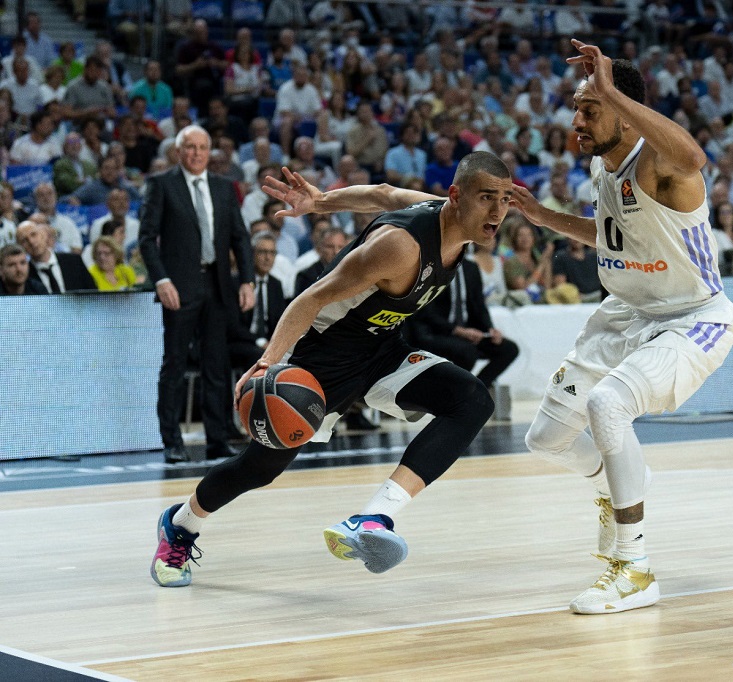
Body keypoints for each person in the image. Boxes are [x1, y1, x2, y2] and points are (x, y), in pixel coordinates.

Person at [150, 153, 509, 587]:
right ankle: (181, 525)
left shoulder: (453, 218)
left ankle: (373, 519)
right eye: (487, 198)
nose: (498, 211)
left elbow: (382, 194)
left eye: (504, 199)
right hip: (320, 359)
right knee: (259, 468)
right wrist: (268, 363)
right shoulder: (400, 246)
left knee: (470, 400)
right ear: (456, 197)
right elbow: (310, 299)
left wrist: (321, 202)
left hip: (380, 350)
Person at [507, 41, 733, 615]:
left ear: (624, 109)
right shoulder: (600, 168)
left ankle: (633, 569)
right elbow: (612, 236)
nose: (576, 119)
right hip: (624, 313)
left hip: (691, 319)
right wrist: (543, 218)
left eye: (590, 108)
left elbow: (694, 159)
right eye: (578, 107)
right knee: (545, 438)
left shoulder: (661, 165)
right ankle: (620, 485)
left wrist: (611, 89)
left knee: (609, 405)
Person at [138, 125, 256, 464]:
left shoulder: (224, 187)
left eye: (202, 147)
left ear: (209, 152)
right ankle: (171, 441)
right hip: (178, 287)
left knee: (216, 367)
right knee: (174, 364)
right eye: (190, 147)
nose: (196, 153)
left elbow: (240, 238)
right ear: (178, 152)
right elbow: (147, 238)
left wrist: (247, 281)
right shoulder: (161, 184)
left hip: (217, 287)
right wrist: (161, 280)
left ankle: (217, 439)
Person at [408, 257, 519, 389]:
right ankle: (454, 391)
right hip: (436, 332)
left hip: (467, 332)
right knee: (467, 352)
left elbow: (479, 305)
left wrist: (490, 329)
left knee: (509, 349)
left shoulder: (471, 267)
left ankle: (477, 388)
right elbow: (425, 312)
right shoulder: (432, 267)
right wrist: (458, 330)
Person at [17, 220, 96, 293]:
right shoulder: (25, 275)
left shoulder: (74, 261)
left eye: (33, 234)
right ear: (21, 247)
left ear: (43, 236)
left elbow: (94, 293)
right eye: (24, 240)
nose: (31, 241)